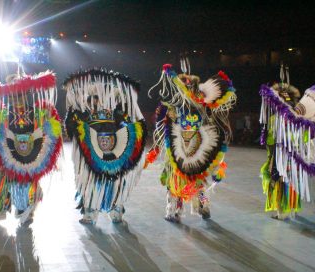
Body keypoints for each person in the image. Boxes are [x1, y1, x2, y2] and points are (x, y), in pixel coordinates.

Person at [145, 63, 236, 223]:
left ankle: (188, 209)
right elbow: (161, 124)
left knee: (192, 179)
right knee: (184, 179)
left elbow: (211, 124)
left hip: (195, 147)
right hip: (180, 146)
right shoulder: (177, 105)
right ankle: (183, 209)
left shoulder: (201, 104)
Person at [0, 70, 62, 223]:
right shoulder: (0, 111)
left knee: (29, 181)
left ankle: (26, 210)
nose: (17, 98)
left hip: (30, 154)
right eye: (13, 94)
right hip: (6, 154)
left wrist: (49, 117)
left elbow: (52, 125)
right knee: (3, 179)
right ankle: (1, 208)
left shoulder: (37, 110)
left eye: (21, 94)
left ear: (27, 91)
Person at [64, 68, 147, 224]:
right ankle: (90, 211)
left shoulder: (115, 112)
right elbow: (71, 130)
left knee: (116, 180)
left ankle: (117, 208)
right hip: (92, 155)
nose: (95, 101)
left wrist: (132, 127)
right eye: (92, 98)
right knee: (91, 183)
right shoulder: (83, 114)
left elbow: (125, 125)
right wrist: (72, 117)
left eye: (97, 98)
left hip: (114, 152)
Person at [259, 75, 314, 220]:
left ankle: (282, 212)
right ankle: (292, 209)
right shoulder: (301, 118)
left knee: (280, 180)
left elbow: (270, 140)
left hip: (281, 156)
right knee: (293, 181)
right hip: (296, 156)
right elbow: (306, 138)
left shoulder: (276, 118)